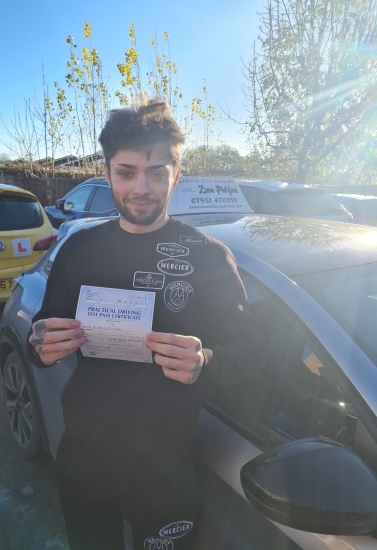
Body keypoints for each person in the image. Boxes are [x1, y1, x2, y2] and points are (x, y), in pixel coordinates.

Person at [27, 99, 265, 550]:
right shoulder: (79, 249)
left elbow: (252, 348)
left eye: (157, 172)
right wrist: (39, 344)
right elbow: (42, 335)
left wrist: (206, 361)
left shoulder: (210, 257)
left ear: (177, 174)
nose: (142, 187)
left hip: (165, 470)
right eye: (127, 171)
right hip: (84, 461)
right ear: (107, 170)